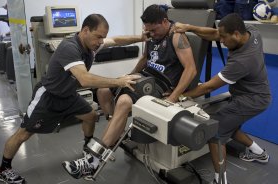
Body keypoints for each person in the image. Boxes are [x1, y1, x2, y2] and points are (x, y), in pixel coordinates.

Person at [0, 13, 147, 184]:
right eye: (98, 36)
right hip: (48, 97)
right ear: (85, 30)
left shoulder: (92, 45)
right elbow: (85, 79)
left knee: (91, 115)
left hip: (68, 95)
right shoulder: (70, 47)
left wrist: (141, 37)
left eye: (102, 38)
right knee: (24, 134)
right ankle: (3, 169)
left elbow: (117, 40)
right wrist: (119, 81)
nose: (100, 41)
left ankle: (87, 146)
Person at [62, 4, 197, 179]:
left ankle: (93, 161)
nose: (151, 34)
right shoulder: (151, 35)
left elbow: (191, 70)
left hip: (161, 83)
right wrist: (129, 75)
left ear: (164, 22)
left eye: (154, 30)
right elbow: (145, 58)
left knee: (124, 101)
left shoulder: (176, 36)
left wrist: (173, 97)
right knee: (103, 91)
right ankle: (117, 129)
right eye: (148, 31)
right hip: (144, 76)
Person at [174, 13, 271, 184]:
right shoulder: (251, 31)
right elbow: (215, 34)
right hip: (250, 93)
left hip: (252, 99)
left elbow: (209, 86)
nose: (222, 41)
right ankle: (258, 153)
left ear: (236, 34)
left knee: (216, 132)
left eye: (224, 38)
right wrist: (189, 27)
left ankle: (220, 180)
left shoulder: (242, 61)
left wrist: (179, 95)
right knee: (229, 125)